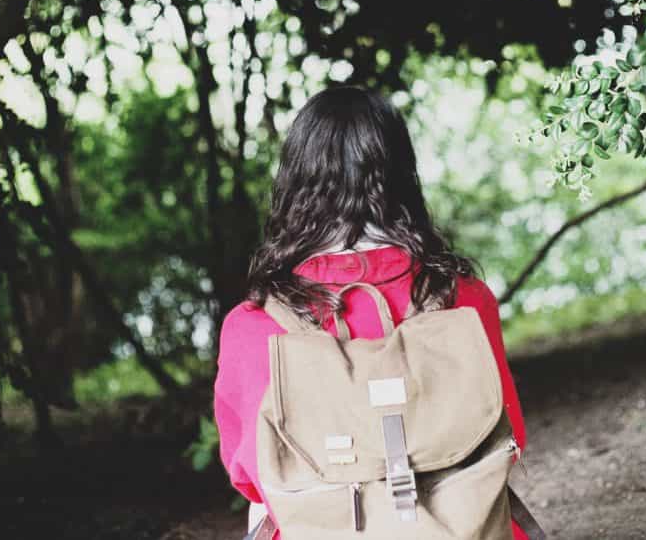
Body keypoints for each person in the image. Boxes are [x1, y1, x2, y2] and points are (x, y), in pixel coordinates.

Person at [212, 85, 529, 539]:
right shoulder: (464, 298)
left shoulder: (253, 326)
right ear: (402, 174)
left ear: (295, 181)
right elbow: (508, 435)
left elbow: (250, 476)